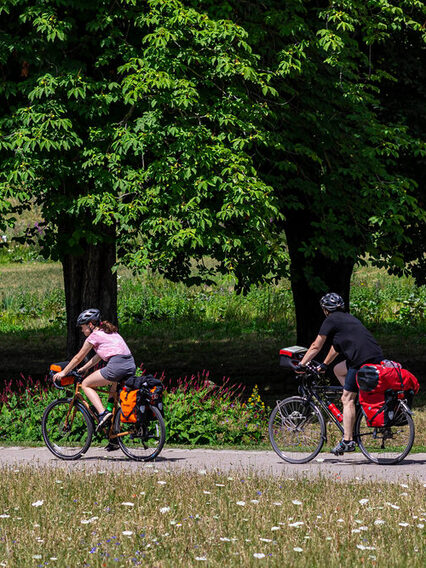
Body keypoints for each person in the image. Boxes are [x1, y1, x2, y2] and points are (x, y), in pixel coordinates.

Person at [296, 293, 383, 455]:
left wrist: (302, 364)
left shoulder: (330, 320)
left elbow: (316, 345)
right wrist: (324, 365)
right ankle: (353, 401)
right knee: (338, 370)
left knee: (346, 399)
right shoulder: (348, 319)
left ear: (325, 310)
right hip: (375, 356)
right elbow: (336, 347)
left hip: (360, 360)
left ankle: (347, 440)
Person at [52, 308, 136, 450]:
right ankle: (114, 435)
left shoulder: (94, 336)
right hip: (130, 364)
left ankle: (103, 414)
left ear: (91, 324)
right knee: (113, 393)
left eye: (83, 327)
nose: (82, 330)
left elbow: (78, 357)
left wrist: (64, 373)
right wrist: (84, 369)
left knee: (86, 384)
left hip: (116, 365)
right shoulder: (109, 332)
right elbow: (98, 357)